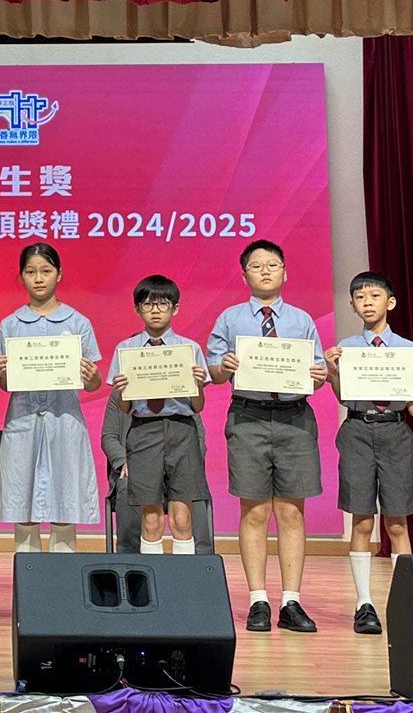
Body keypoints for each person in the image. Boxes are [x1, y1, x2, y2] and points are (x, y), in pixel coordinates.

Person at [207, 239, 328, 634]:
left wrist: (319, 375)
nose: (265, 271)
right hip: (248, 417)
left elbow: (317, 373)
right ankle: (258, 600)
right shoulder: (229, 319)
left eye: (272, 265)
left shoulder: (301, 320)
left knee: (291, 512)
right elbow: (213, 372)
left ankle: (291, 601)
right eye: (256, 266)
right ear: (245, 275)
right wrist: (223, 367)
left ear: (285, 273)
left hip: (295, 418)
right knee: (255, 511)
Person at [323, 271, 413, 636]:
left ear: (390, 302)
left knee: (397, 522)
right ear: (353, 306)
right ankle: (364, 604)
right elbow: (343, 396)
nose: (367, 303)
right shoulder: (347, 347)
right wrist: (333, 371)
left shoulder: (405, 348)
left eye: (374, 296)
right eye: (360, 298)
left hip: (395, 431)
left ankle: (405, 605)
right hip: (357, 429)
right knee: (362, 521)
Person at [0, 243, 102, 553]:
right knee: (22, 506)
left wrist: (91, 375)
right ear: (21, 277)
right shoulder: (10, 325)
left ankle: (62, 578)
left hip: (64, 422)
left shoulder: (77, 323)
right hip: (23, 421)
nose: (38, 278)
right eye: (30, 272)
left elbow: (93, 384)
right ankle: (28, 577)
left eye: (46, 271)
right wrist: (1, 372)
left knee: (64, 504)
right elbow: (6, 385)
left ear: (59, 274)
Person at [106, 275, 209, 555]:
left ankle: (183, 578)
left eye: (163, 304)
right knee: (150, 518)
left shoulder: (189, 349)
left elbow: (198, 406)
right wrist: (122, 391)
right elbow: (124, 409)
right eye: (148, 304)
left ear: (175, 308)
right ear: (137, 309)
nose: (155, 310)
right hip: (143, 431)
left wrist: (198, 384)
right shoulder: (126, 350)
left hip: (182, 430)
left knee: (182, 516)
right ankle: (154, 577)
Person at [100, 391, 216, 554]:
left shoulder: (181, 390)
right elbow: (109, 437)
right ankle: (129, 555)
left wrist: (191, 462)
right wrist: (124, 462)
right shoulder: (123, 389)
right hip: (138, 461)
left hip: (179, 460)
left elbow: (199, 437)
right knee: (128, 485)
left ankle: (201, 554)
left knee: (190, 496)